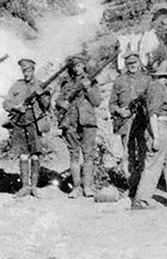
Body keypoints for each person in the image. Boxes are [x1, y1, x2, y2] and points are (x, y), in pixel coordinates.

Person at [132, 60, 167, 210]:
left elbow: (163, 110)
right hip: (158, 129)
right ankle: (141, 199)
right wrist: (155, 136)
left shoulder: (158, 87)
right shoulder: (156, 87)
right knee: (153, 164)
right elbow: (153, 114)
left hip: (164, 127)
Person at [2, 58, 51, 198]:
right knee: (23, 155)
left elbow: (47, 106)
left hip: (35, 124)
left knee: (35, 155)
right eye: (24, 71)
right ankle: (24, 187)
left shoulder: (40, 85)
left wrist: (43, 96)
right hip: (19, 124)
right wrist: (16, 107)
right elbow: (6, 103)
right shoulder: (17, 85)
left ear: (33, 70)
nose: (26, 73)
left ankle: (34, 187)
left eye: (28, 70)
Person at [56, 55, 102, 198]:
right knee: (74, 155)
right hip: (70, 121)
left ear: (84, 66)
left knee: (88, 154)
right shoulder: (66, 84)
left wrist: (88, 88)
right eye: (74, 66)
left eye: (79, 65)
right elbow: (59, 100)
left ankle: (87, 186)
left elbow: (96, 102)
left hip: (87, 121)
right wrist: (60, 103)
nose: (77, 69)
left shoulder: (91, 82)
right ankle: (76, 187)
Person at [108, 50, 151, 196]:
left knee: (144, 152)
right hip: (125, 123)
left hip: (142, 122)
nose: (132, 65)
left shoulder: (147, 80)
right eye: (129, 63)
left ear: (139, 63)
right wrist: (119, 111)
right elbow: (111, 104)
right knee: (129, 153)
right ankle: (132, 185)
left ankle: (144, 186)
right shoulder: (119, 81)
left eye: (135, 63)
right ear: (126, 64)